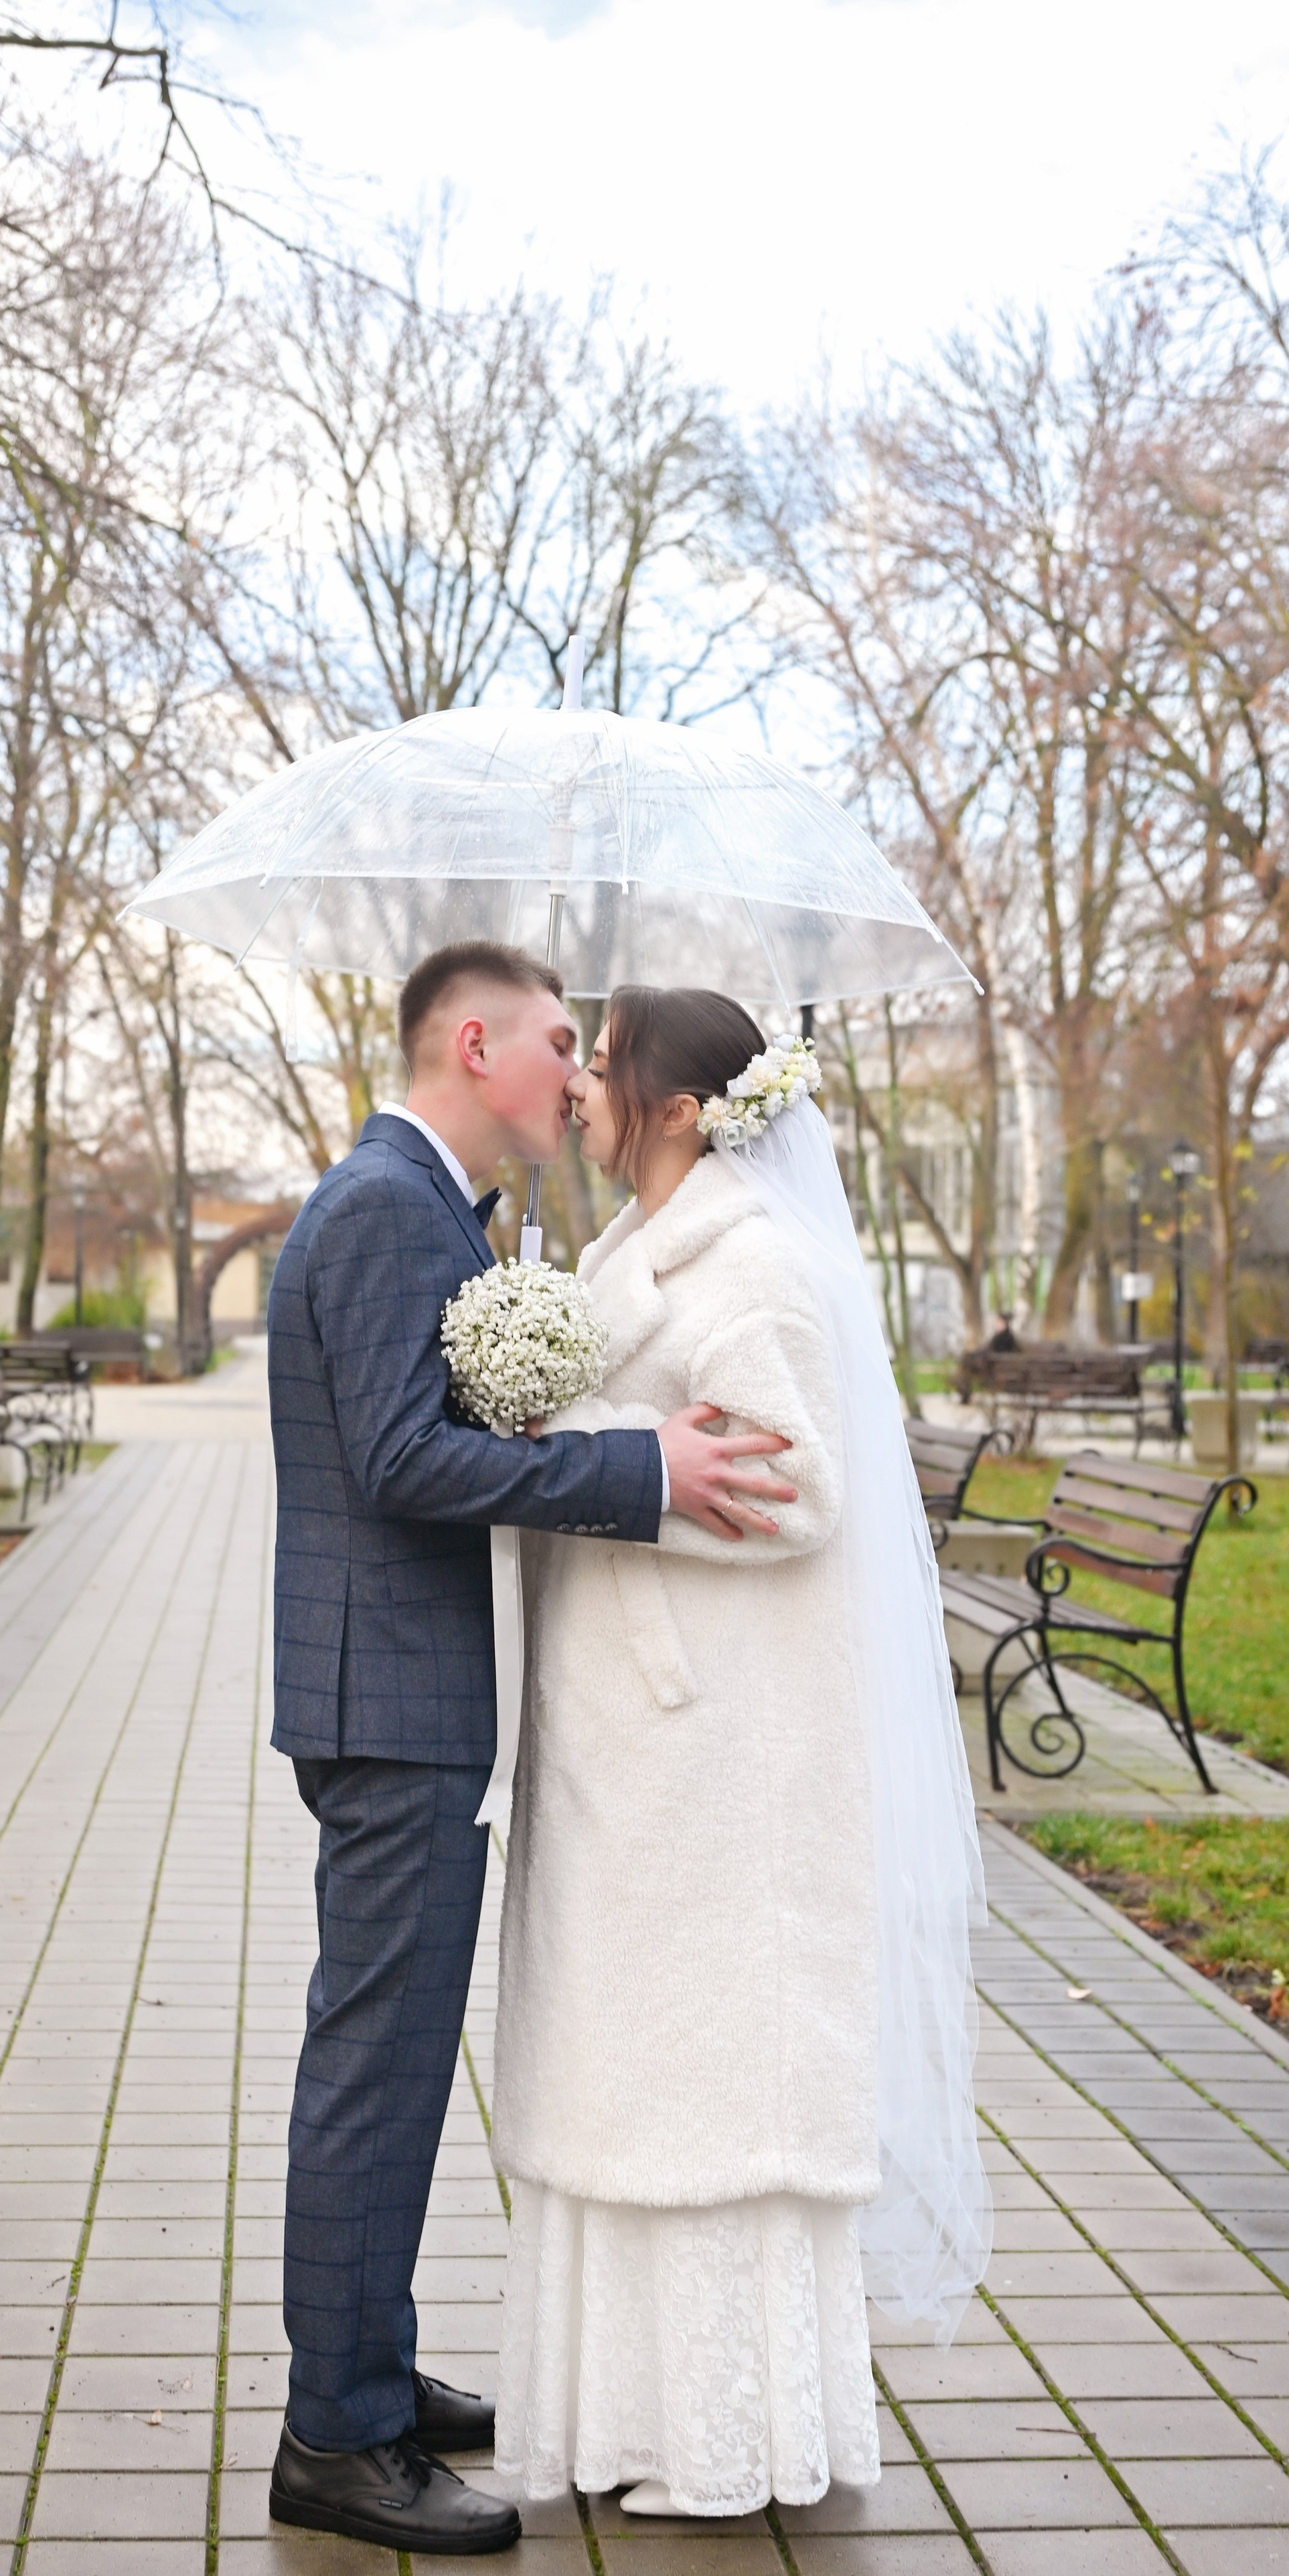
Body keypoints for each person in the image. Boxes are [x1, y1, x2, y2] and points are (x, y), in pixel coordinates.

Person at [264, 943, 798, 2555]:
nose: (576, 1072)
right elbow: (400, 1460)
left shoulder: (430, 1205)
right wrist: (636, 1468)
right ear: (472, 1039)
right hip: (387, 1710)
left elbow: (421, 1439)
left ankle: (367, 2371)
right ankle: (334, 2440)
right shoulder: (379, 1206)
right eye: (559, 1039)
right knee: (373, 2070)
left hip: (404, 1703)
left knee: (398, 2063)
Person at [491, 988, 991, 2520]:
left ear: (684, 1107)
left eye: (604, 1060)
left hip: (715, 1756)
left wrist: (599, 1459)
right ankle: (624, 2417)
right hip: (630, 1758)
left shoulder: (754, 1269)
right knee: (622, 2083)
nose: (574, 1082)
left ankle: (729, 2437)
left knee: (707, 2097)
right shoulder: (611, 1257)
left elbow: (793, 1496)